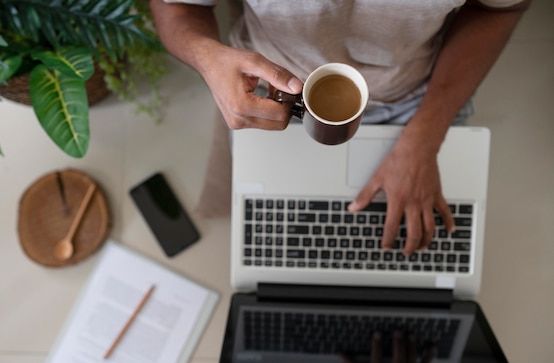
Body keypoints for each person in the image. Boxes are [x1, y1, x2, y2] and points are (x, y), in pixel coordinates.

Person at [149, 0, 531, 257]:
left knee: (417, 241)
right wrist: (207, 57)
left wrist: (424, 140)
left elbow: (500, 8)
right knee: (280, 241)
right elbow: (175, 6)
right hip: (273, 91)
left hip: (418, 98)